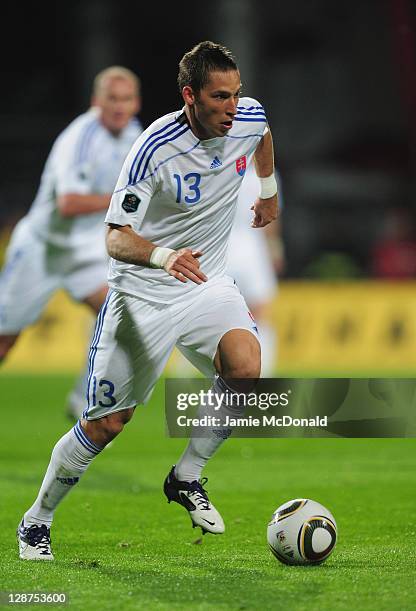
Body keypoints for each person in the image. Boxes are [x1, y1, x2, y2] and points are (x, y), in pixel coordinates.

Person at [17, 41, 278, 561]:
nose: (233, 106)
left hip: (206, 284)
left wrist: (267, 190)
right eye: (220, 97)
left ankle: (187, 475)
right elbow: (115, 237)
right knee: (108, 423)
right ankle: (37, 519)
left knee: (246, 368)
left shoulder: (248, 117)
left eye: (236, 94)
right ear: (190, 95)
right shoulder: (154, 147)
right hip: (142, 296)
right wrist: (162, 257)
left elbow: (264, 135)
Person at [0, 66, 142, 415]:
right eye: (113, 99)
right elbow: (69, 202)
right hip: (42, 249)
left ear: (136, 103)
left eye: (127, 99)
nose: (120, 107)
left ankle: (84, 399)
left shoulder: (134, 134)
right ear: (97, 101)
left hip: (86, 253)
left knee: (122, 317)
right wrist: (121, 197)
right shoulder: (80, 138)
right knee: (4, 342)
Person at [227, 162, 284, 375]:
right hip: (251, 250)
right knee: (259, 313)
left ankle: (186, 371)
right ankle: (265, 370)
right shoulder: (266, 175)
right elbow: (271, 219)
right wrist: (276, 250)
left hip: (224, 249)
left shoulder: (221, 169)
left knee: (210, 315)